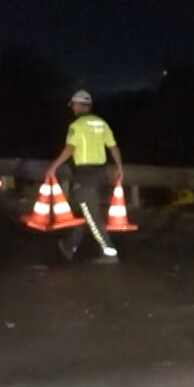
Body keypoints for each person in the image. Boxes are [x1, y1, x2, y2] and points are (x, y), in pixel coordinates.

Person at [44, 89, 126, 263]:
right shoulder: (102, 123)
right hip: (101, 174)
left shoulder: (76, 126)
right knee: (82, 212)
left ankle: (109, 252)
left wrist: (53, 167)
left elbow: (70, 149)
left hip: (85, 176)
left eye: (73, 105)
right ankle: (69, 246)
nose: (72, 108)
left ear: (79, 105)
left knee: (92, 215)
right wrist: (119, 167)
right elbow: (113, 147)